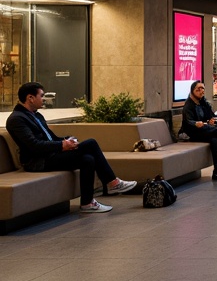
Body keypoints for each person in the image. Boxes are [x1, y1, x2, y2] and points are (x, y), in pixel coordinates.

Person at [6, 81, 137, 213]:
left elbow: (50, 138)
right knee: (91, 143)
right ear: (30, 98)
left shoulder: (37, 115)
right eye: (42, 96)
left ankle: (87, 203)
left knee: (88, 159)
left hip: (51, 155)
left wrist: (66, 140)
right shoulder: (16, 119)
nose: (44, 99)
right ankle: (112, 183)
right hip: (38, 161)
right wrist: (62, 145)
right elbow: (34, 145)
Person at [181, 81, 217, 180]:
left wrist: (211, 120)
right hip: (192, 133)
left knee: (215, 141)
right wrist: (196, 123)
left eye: (203, 89)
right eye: (198, 89)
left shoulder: (203, 103)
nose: (201, 91)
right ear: (192, 91)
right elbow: (188, 123)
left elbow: (210, 116)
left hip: (203, 131)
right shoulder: (188, 106)